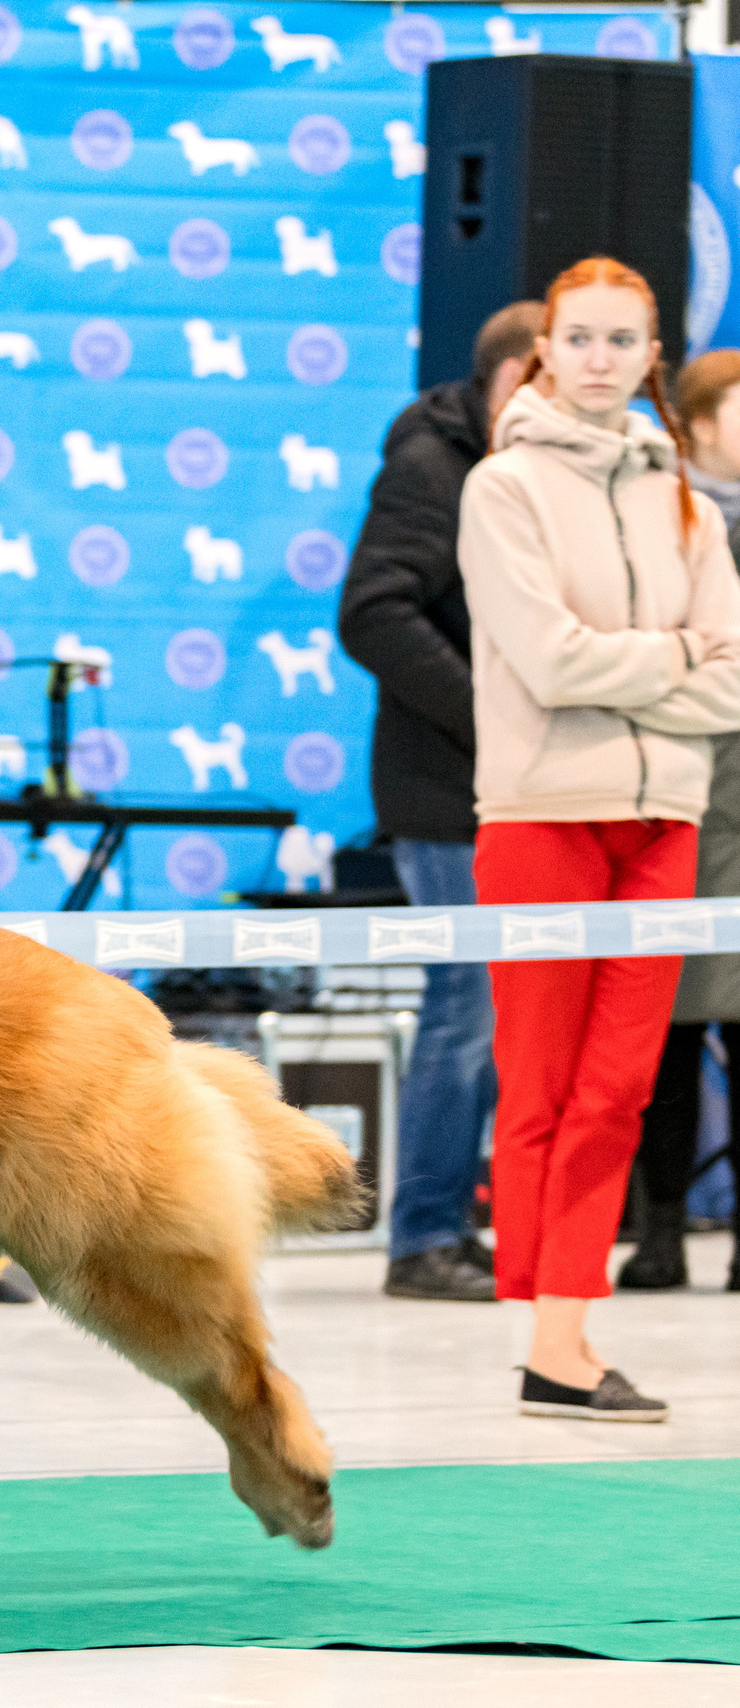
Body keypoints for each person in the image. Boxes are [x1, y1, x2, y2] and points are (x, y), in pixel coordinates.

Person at [457, 257, 740, 1421]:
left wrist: (639, 672)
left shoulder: (681, 495)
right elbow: (549, 658)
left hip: (662, 821)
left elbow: (731, 682)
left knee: (618, 1089)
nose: (599, 359)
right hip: (539, 817)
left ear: (649, 357)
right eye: (579, 338)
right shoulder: (501, 488)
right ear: (545, 350)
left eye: (622, 341)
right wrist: (668, 662)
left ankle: (564, 1342)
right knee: (539, 1084)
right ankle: (543, 1326)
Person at [338, 300, 546, 1302]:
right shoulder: (429, 466)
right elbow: (369, 612)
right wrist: (489, 717)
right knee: (465, 1013)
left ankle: (458, 1224)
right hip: (446, 791)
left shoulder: (534, 471)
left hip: (520, 789)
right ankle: (422, 1234)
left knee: (496, 1016)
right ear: (513, 378)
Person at [623, 348, 740, 1293]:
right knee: (660, 1040)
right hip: (674, 805)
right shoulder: (662, 518)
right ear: (696, 424)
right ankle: (658, 1231)